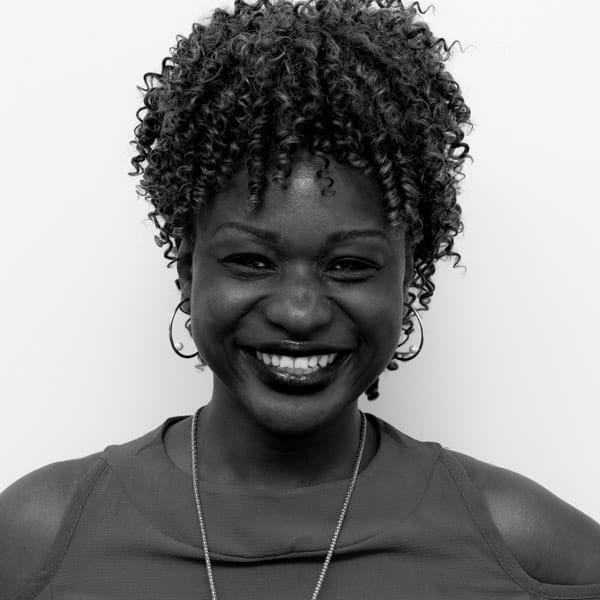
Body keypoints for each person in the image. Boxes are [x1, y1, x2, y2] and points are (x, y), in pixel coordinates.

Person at [1, 0, 599, 598]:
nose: (299, 312)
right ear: (187, 271)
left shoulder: (518, 543)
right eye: (251, 261)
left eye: (349, 266)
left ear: (407, 280)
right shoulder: (41, 534)